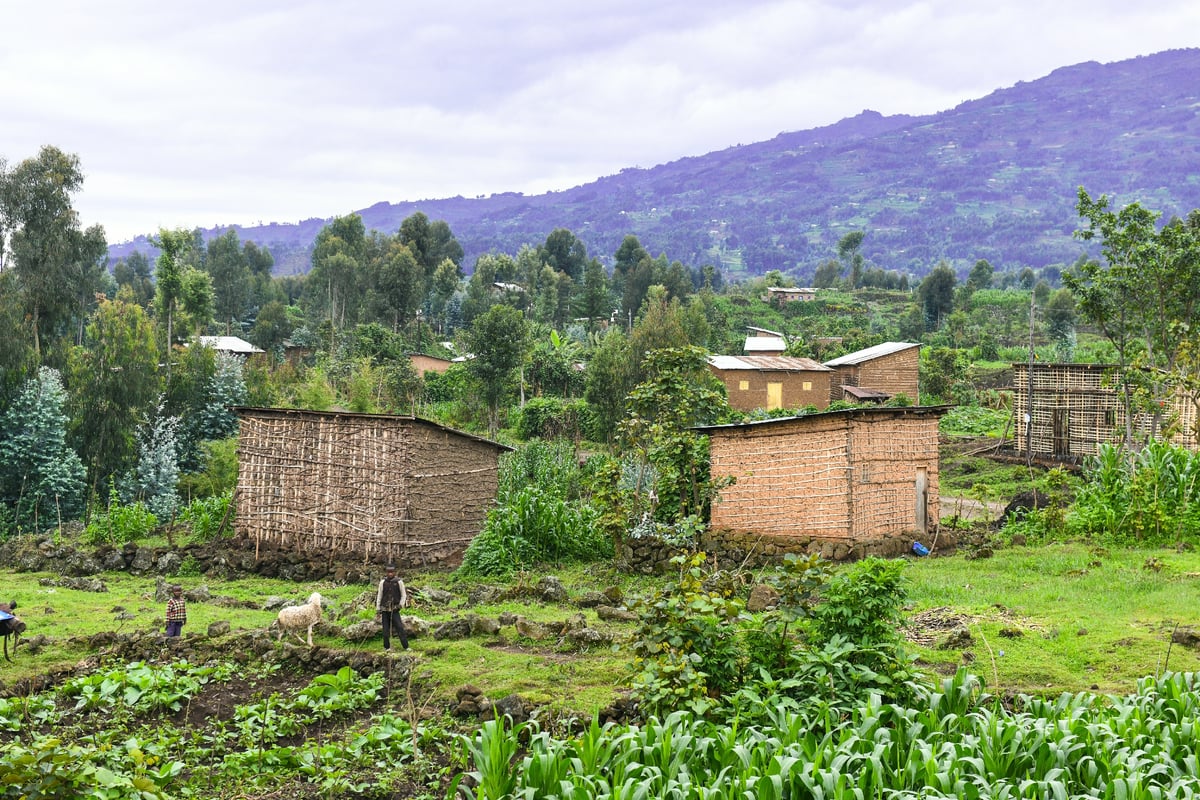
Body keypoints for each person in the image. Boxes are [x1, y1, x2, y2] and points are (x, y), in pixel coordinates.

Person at [375, 564, 409, 651]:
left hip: (395, 609)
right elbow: (379, 595)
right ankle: (387, 647)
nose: (390, 574)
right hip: (385, 609)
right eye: (388, 572)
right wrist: (378, 609)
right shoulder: (382, 582)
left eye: (392, 572)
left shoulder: (399, 582)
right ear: (386, 572)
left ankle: (406, 646)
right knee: (385, 630)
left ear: (394, 572)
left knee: (400, 628)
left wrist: (401, 605)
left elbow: (403, 595)